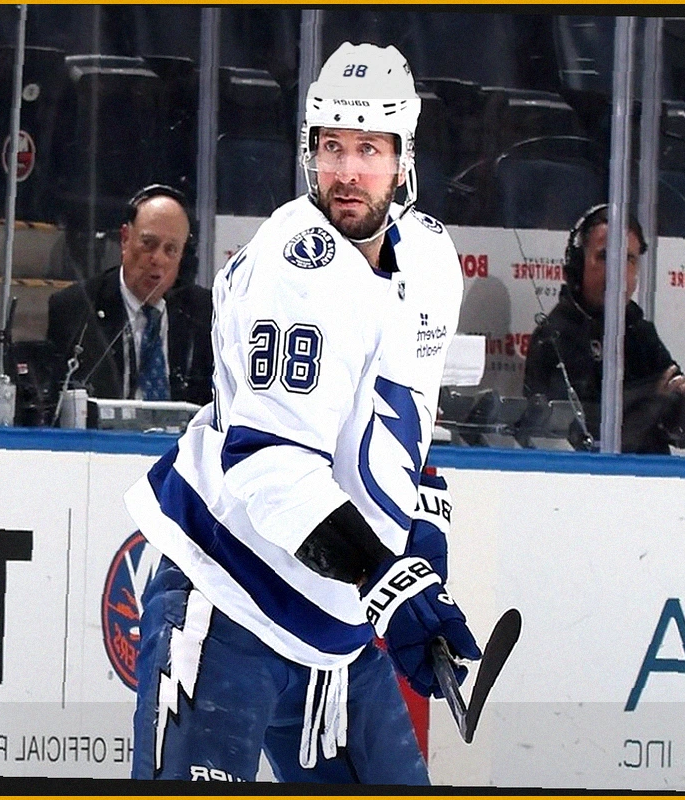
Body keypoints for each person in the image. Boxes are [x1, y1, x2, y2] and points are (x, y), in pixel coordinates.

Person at [122, 42, 480, 784]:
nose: (346, 172)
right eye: (332, 147)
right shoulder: (296, 264)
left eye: (369, 149)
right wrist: (389, 580)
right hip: (228, 596)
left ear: (404, 158)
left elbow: (403, 421)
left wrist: (419, 539)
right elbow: (269, 463)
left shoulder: (430, 259)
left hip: (333, 631)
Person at [523, 204, 685, 454]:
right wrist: (654, 403)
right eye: (605, 256)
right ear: (578, 264)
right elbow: (579, 435)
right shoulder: (554, 337)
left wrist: (677, 405)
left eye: (629, 259)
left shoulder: (639, 332)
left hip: (651, 476)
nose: (618, 271)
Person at [45, 184, 214, 406]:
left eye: (171, 249)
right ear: (125, 239)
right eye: (148, 244)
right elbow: (58, 405)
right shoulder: (76, 308)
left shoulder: (205, 313)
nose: (158, 259)